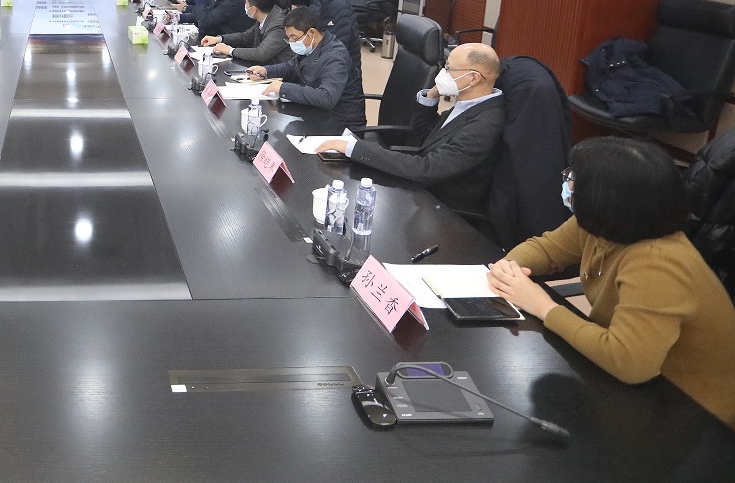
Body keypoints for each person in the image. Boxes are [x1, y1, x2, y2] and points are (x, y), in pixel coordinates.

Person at [488, 137, 735, 431]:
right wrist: (508, 269)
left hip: (696, 414)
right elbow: (546, 249)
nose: (568, 184)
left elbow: (629, 364)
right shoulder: (602, 225)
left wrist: (544, 306)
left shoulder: (658, 263)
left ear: (604, 198)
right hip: (638, 385)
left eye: (573, 178)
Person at [314, 44, 506, 215]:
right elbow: (424, 137)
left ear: (473, 78)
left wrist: (353, 147)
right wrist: (431, 95)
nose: (443, 73)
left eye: (449, 69)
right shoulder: (469, 103)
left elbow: (427, 169)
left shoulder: (486, 123)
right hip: (423, 188)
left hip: (441, 207)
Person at [247, 6, 365, 130]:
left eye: (294, 38)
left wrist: (283, 88)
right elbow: (291, 66)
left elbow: (327, 97)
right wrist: (266, 71)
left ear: (312, 33)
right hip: (316, 113)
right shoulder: (312, 45)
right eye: (289, 38)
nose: (292, 42)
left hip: (341, 125)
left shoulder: (335, 57)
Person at [201, 0, 290, 66]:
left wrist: (230, 51)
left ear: (254, 9)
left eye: (246, 3)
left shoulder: (279, 26)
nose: (245, 5)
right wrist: (219, 39)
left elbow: (261, 53)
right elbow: (245, 37)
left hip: (278, 72)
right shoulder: (265, 15)